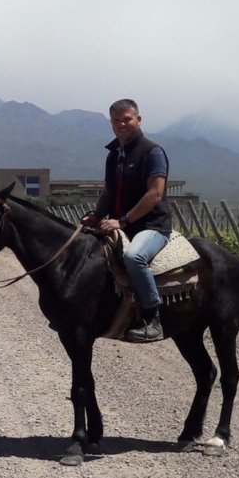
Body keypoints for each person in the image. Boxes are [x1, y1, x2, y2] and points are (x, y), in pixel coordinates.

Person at [82, 98, 172, 342]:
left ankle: (152, 318)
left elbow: (155, 194)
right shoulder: (114, 155)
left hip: (151, 226)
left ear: (138, 120)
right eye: (116, 120)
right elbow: (109, 191)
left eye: (127, 119)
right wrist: (97, 216)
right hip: (120, 223)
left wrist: (122, 221)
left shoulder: (152, 152)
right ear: (111, 123)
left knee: (135, 257)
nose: (122, 124)